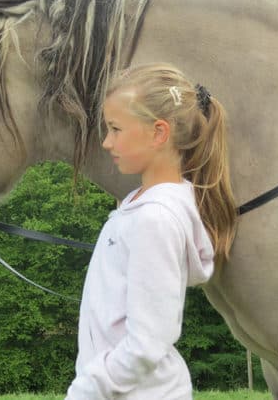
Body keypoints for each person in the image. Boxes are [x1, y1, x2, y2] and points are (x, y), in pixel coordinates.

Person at [65, 63, 238, 399]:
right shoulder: (138, 204)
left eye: (115, 129)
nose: (105, 142)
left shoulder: (155, 219)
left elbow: (148, 342)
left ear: (159, 133)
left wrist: (89, 387)